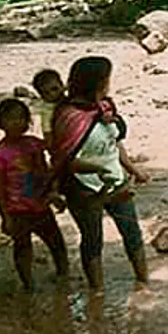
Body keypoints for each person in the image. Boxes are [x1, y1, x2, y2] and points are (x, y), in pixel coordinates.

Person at [50, 56, 150, 291]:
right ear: (97, 82)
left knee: (132, 232)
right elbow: (66, 162)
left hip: (116, 183)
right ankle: (97, 291)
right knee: (93, 240)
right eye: (107, 79)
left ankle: (144, 284)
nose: (109, 83)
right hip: (82, 188)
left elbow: (114, 144)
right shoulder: (68, 116)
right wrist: (98, 168)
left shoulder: (105, 107)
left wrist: (133, 170)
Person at [0, 98, 69, 291]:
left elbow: (46, 170)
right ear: (0, 123)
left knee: (56, 242)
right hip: (18, 210)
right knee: (22, 248)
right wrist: (5, 217)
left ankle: (63, 275)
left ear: (28, 121)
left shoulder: (35, 145)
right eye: (10, 119)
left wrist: (54, 193)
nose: (16, 123)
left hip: (41, 206)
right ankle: (27, 283)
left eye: (21, 118)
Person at [32, 69, 65, 147]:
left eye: (55, 89)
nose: (53, 94)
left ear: (62, 85)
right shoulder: (48, 111)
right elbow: (48, 132)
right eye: (46, 93)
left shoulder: (70, 99)